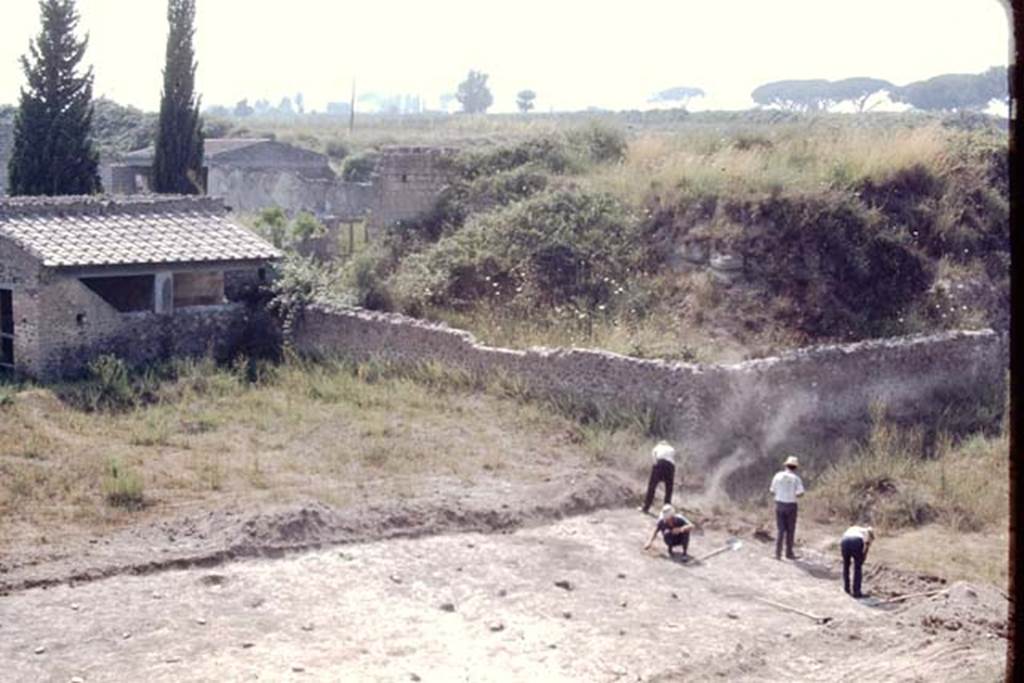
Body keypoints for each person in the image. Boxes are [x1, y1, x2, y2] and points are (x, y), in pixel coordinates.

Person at [769, 455, 805, 560]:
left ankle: (777, 554)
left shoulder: (778, 475)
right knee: (790, 530)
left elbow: (772, 491)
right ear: (795, 467)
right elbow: (800, 493)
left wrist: (780, 493)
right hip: (791, 505)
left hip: (779, 504)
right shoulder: (796, 479)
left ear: (786, 465)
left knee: (780, 530)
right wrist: (792, 493)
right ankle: (789, 553)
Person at [639, 439, 677, 515]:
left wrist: (655, 468)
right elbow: (673, 458)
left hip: (660, 464)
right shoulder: (672, 449)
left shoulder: (657, 447)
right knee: (669, 489)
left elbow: (654, 458)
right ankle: (667, 511)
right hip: (670, 466)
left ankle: (646, 508)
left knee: (652, 487)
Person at [840, 525, 875, 598]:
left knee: (846, 565)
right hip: (856, 541)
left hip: (844, 540)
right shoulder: (867, 532)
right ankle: (857, 592)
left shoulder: (854, 528)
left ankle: (846, 588)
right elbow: (866, 548)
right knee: (857, 567)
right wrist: (862, 558)